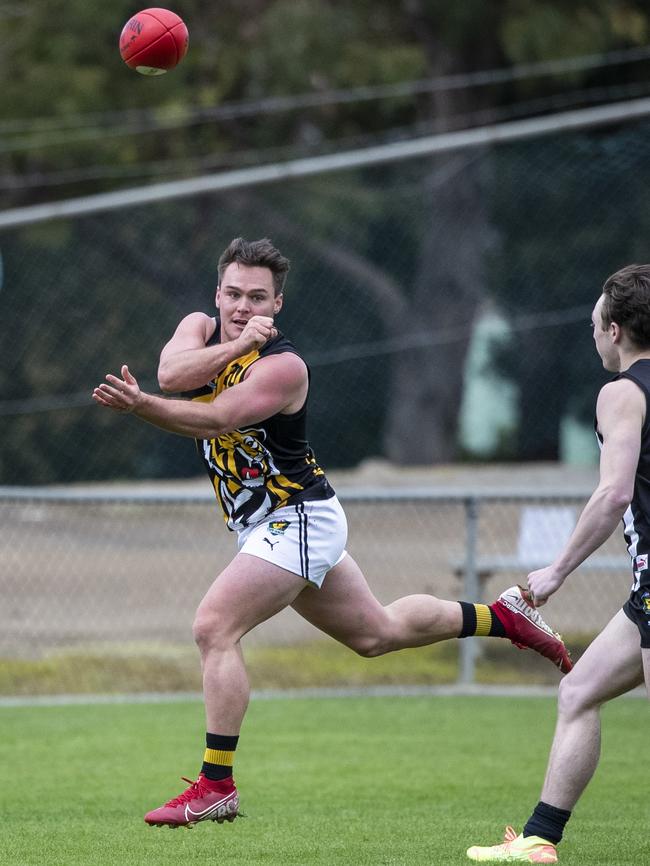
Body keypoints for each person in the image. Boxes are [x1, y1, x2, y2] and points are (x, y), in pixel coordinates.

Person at [92, 236, 571, 829]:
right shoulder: (199, 326)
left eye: (258, 298)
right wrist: (228, 346)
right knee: (378, 633)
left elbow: (214, 418)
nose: (243, 307)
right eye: (234, 294)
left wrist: (142, 406)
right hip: (268, 525)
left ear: (279, 304)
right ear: (217, 293)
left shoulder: (284, 367)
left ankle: (217, 785)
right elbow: (170, 373)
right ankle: (501, 616)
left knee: (214, 627)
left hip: (298, 517)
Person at [467, 263, 650, 863]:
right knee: (579, 692)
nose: (592, 332)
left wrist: (556, 570)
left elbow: (614, 494)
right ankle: (541, 838)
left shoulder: (621, 391)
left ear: (616, 330)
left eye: (595, 321)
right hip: (644, 592)